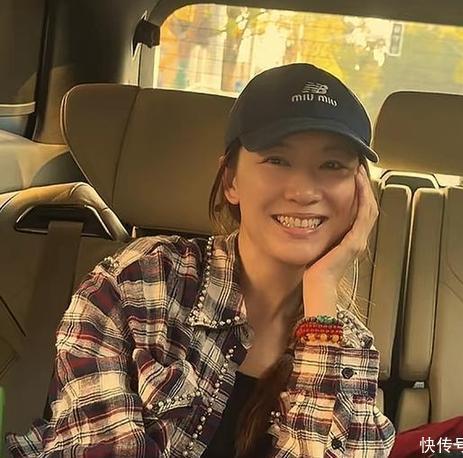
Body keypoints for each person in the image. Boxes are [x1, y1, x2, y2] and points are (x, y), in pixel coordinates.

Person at [6, 63, 395, 457]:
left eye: (333, 166)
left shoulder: (347, 345)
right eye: (277, 160)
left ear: (360, 194)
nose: (305, 191)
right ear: (231, 181)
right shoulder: (138, 284)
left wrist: (322, 294)